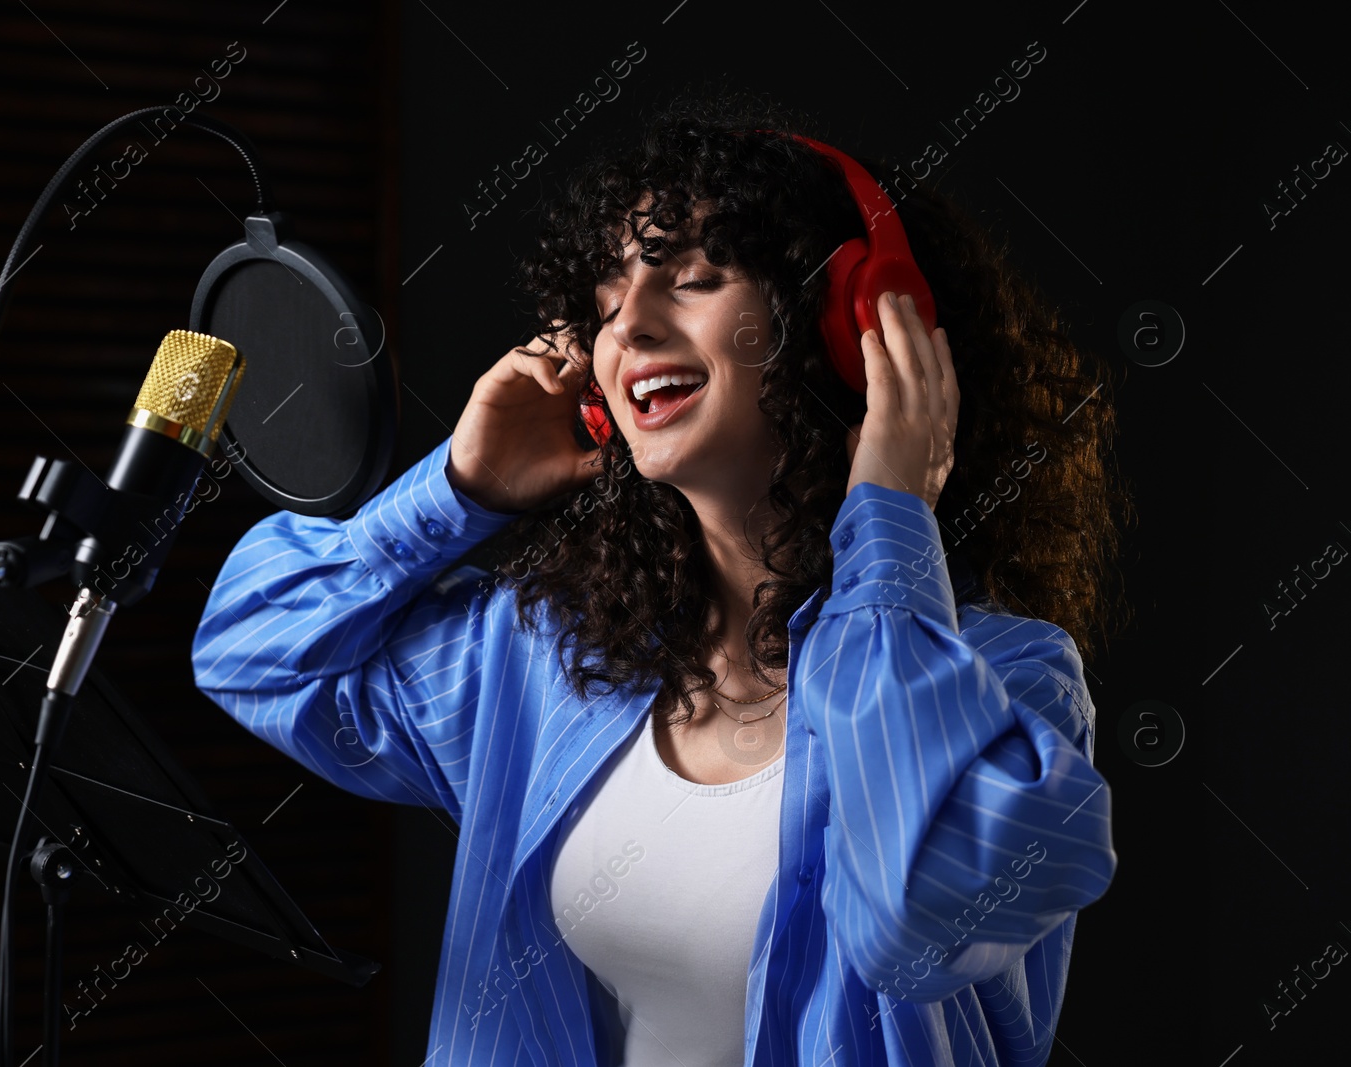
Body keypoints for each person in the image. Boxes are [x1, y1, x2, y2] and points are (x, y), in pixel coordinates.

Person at [192, 86, 1128, 1066]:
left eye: (689, 277)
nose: (627, 324)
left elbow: (914, 913)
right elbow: (250, 651)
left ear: (847, 326)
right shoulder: (542, 656)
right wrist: (458, 489)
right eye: (605, 299)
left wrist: (889, 517)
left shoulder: (1012, 682)